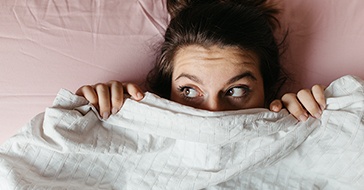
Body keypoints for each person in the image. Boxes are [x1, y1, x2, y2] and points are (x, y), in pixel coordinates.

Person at [76, 0, 326, 122]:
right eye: (188, 90)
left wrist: (319, 120)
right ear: (166, 93)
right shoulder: (114, 124)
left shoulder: (298, 126)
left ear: (267, 90)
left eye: (236, 90)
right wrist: (92, 116)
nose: (213, 112)